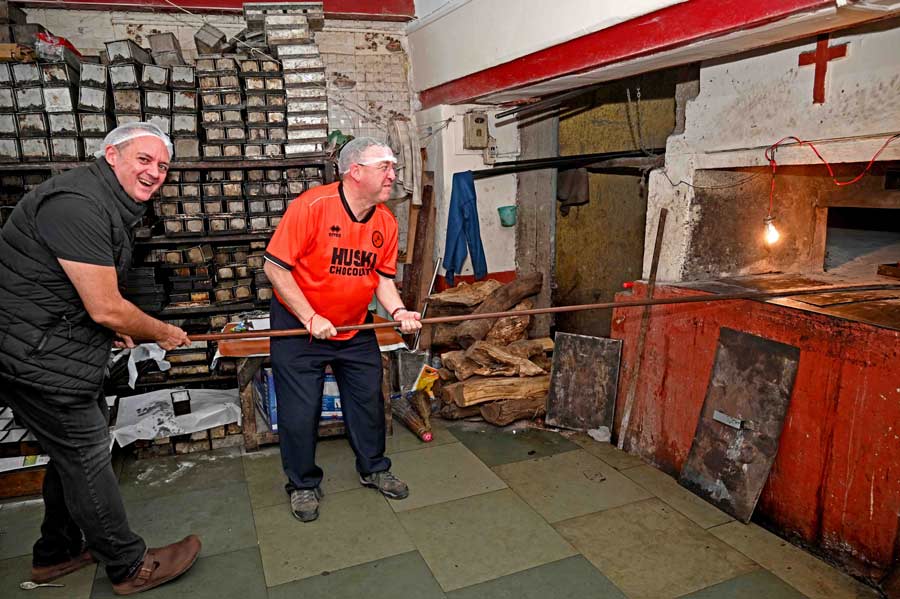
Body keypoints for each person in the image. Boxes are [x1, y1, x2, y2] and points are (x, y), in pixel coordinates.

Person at [0, 123, 202, 595]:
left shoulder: (104, 200)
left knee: (72, 454)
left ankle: (58, 552)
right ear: (111, 154)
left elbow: (71, 288)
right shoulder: (78, 204)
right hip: (34, 352)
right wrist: (158, 331)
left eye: (163, 166)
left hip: (48, 342)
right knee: (88, 454)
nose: (155, 173)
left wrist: (112, 326)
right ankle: (128, 566)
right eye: (144, 160)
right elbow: (105, 304)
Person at [263, 137, 422, 522]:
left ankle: (374, 468)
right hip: (301, 327)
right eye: (384, 167)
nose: (393, 175)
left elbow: (381, 278)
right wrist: (309, 317)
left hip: (354, 325)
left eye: (393, 167)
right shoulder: (312, 207)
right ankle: (302, 484)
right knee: (300, 412)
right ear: (355, 171)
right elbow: (275, 268)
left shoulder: (385, 221)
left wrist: (399, 310)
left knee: (368, 400)